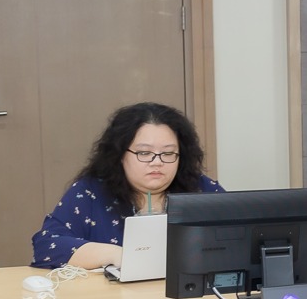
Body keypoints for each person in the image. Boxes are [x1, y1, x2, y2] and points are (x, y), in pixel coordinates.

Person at [31, 102, 223, 269]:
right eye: (144, 153)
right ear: (120, 154)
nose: (157, 162)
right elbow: (47, 246)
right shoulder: (91, 192)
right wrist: (118, 255)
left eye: (168, 153)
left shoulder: (201, 189)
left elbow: (237, 237)